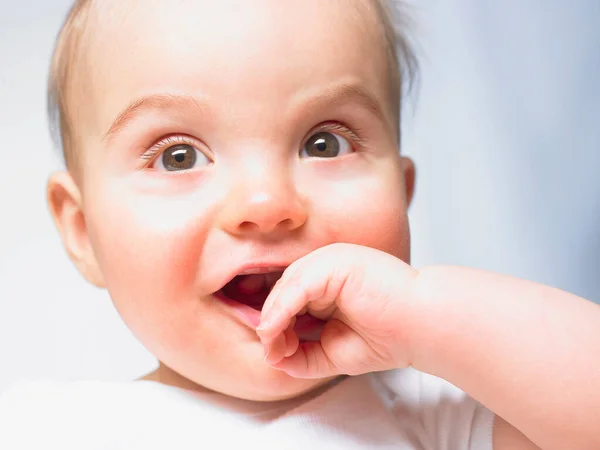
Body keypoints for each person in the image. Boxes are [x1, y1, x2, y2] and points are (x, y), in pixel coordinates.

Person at [1, 0, 598, 448]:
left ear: (403, 195)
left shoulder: (440, 420)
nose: (266, 202)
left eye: (323, 143)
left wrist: (426, 314)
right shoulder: (44, 426)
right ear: (82, 230)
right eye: (179, 156)